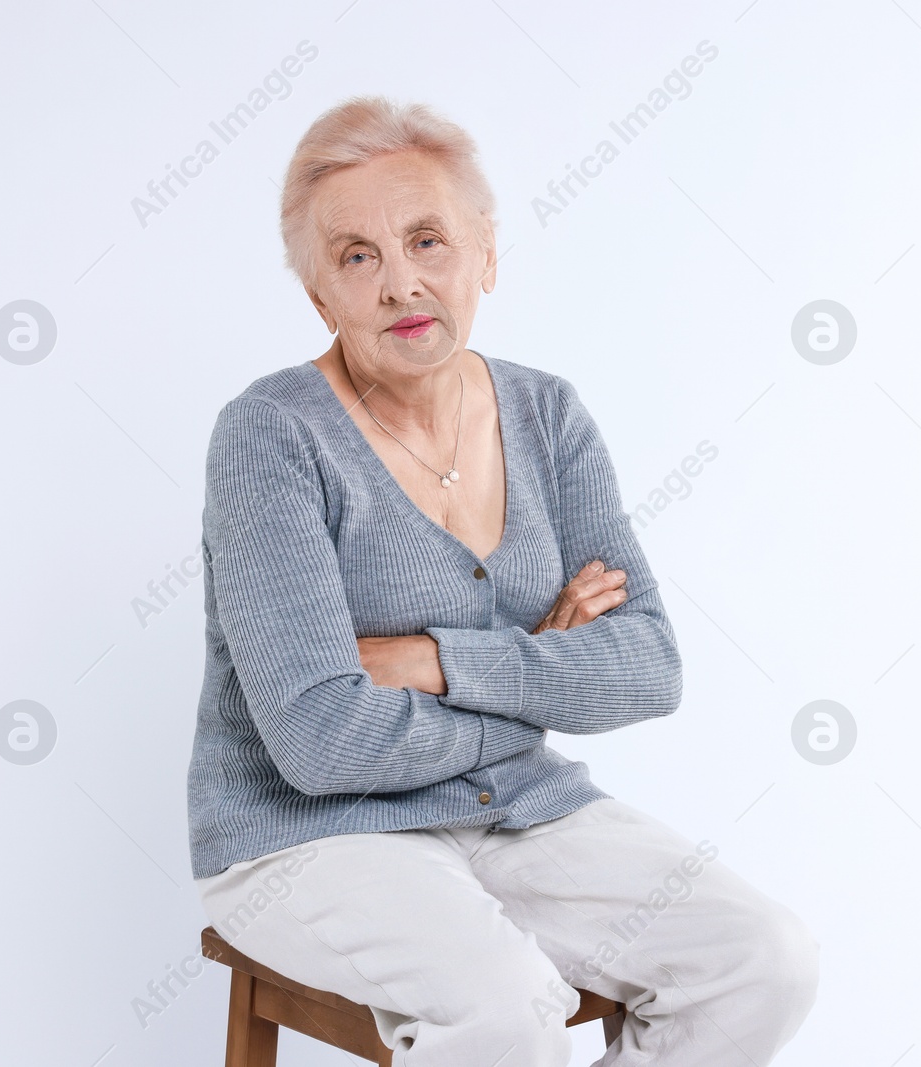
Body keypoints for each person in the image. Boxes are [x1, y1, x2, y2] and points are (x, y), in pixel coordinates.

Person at [186, 95, 819, 1066]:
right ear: (320, 295)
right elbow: (318, 741)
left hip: (519, 811)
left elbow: (647, 667)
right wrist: (541, 668)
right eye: (356, 256)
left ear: (485, 252)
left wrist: (436, 661)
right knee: (510, 1009)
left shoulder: (546, 416)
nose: (400, 282)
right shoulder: (273, 436)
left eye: (426, 239)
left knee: (762, 958)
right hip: (309, 839)